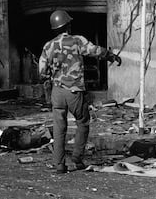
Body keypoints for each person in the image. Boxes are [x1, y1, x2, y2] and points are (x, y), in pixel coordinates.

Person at [39, 10, 122, 173]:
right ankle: (77, 158)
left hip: (57, 91)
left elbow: (41, 70)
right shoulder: (77, 40)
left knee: (58, 127)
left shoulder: (48, 46)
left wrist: (51, 77)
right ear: (68, 26)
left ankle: (59, 164)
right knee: (83, 122)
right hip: (74, 91)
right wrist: (111, 56)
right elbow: (94, 50)